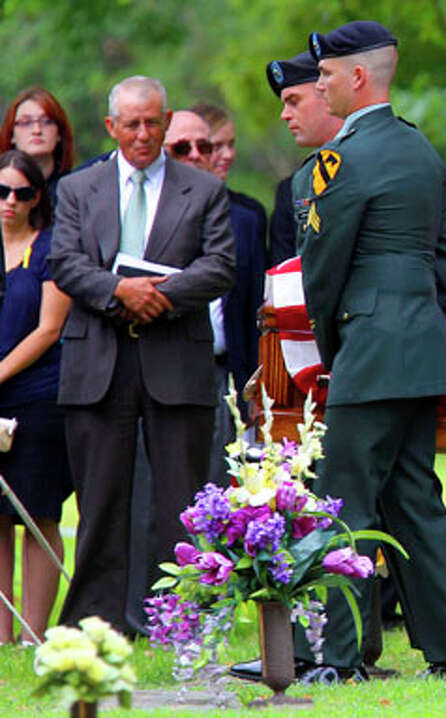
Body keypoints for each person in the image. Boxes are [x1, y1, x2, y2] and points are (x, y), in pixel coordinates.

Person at [294, 20, 446, 681]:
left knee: (342, 500)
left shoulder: (343, 159)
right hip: (419, 348)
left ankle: (332, 655)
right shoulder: (420, 151)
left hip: (370, 347)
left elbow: (322, 271)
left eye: (326, 74)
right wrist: (425, 326)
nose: (319, 85)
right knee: (415, 499)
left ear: (358, 77)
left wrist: (339, 345)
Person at [49, 75, 235, 636]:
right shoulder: (80, 189)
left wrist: (158, 296)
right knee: (101, 501)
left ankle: (187, 620)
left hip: (175, 361)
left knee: (180, 501)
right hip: (98, 364)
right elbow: (65, 262)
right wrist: (117, 291)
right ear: (111, 126)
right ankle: (94, 623)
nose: (143, 133)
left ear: (166, 119)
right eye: (131, 123)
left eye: (153, 121)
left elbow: (221, 264)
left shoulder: (202, 190)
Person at [0, 150, 71, 644]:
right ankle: (1, 637)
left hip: (38, 396)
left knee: (37, 513)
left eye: (22, 192)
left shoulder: (49, 247)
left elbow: (49, 328)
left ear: (37, 198)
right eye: (1, 191)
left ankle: (34, 635)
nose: (10, 201)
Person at [188, 103, 268, 484]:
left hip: (226, 371)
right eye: (215, 146)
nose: (227, 155)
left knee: (226, 480)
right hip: (172, 364)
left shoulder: (247, 217)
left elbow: (255, 309)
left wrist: (253, 385)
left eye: (230, 145)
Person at [264, 52, 344, 266]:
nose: (285, 115)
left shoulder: (382, 163)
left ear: (328, 94)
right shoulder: (290, 190)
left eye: (294, 101)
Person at [0, 88, 75, 207]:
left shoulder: (76, 190)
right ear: (11, 134)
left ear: (59, 133)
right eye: (26, 122)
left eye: (47, 122)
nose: (37, 130)